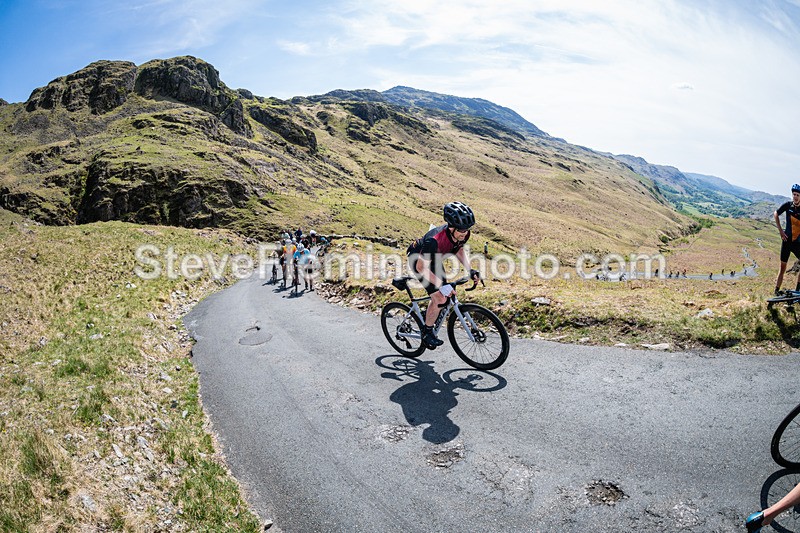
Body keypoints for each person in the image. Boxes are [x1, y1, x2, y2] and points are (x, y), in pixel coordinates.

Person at [407, 202, 481, 349]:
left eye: (467, 229)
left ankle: (428, 314)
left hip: (434, 260)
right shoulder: (434, 240)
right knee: (440, 297)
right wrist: (442, 285)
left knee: (445, 295)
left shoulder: (462, 234)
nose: (465, 233)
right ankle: (427, 332)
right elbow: (421, 268)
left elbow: (458, 249)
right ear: (451, 227)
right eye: (461, 230)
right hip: (418, 261)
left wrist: (470, 270)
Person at [773, 183, 800, 295]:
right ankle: (776, 291)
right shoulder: (788, 205)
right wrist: (781, 231)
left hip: (797, 244)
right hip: (786, 242)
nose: (795, 197)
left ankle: (797, 291)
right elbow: (776, 213)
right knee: (782, 268)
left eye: (798, 195)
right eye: (794, 194)